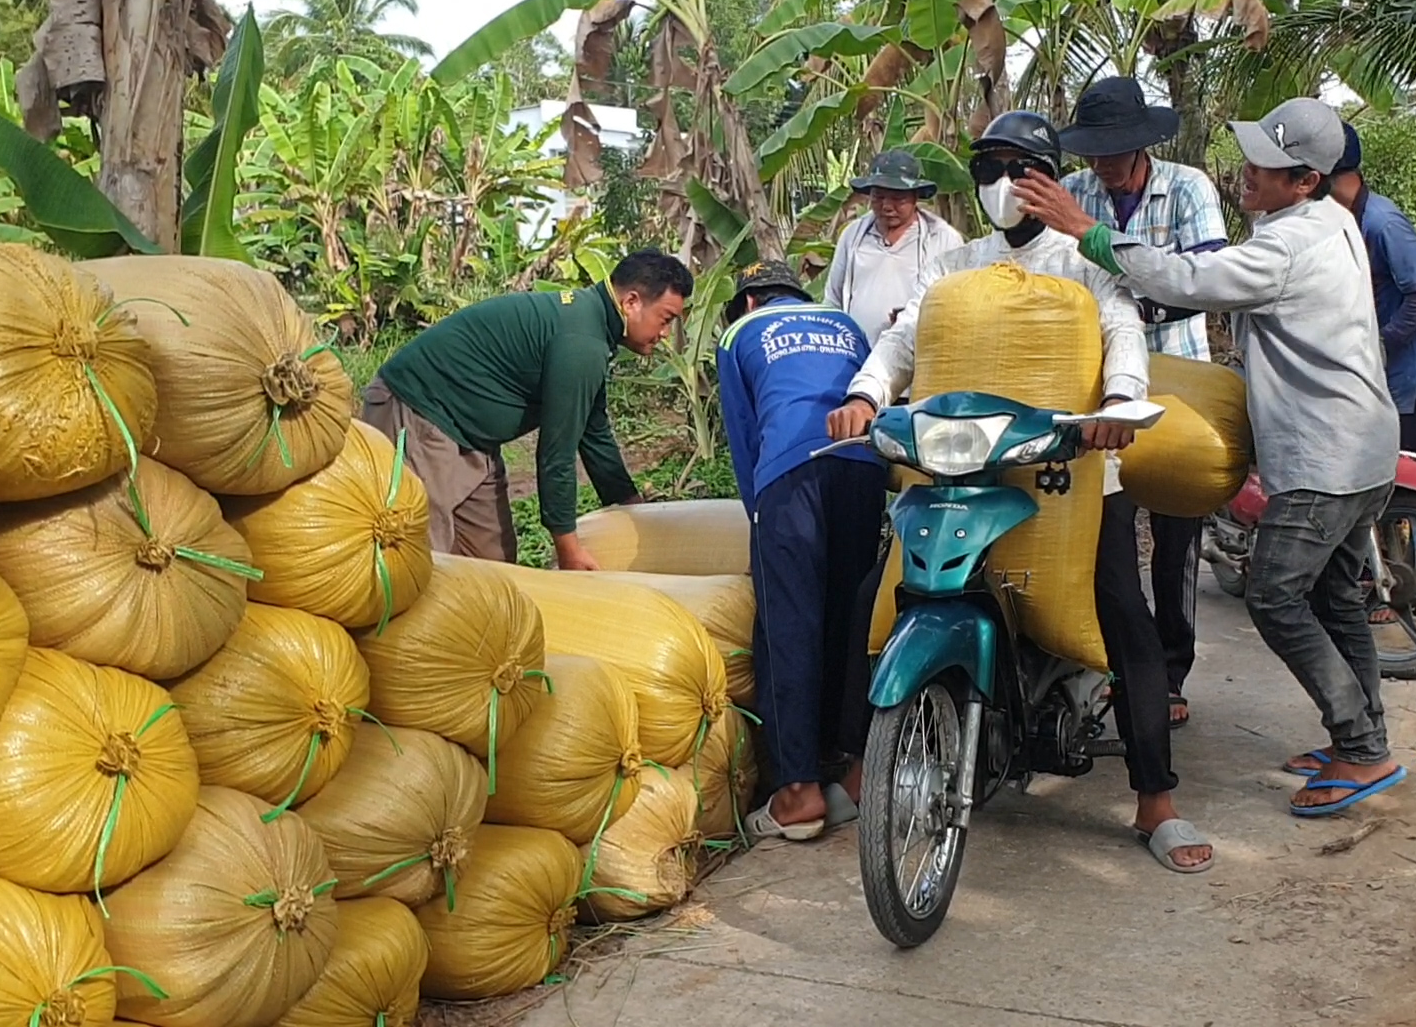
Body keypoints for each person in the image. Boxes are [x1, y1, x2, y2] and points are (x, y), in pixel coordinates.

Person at [828, 111, 1214, 873]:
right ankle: (858, 766)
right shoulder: (954, 267)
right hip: (963, 467)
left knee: (1124, 614)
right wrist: (867, 394)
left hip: (1070, 471)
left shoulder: (1082, 262)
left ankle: (1156, 800)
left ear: (1047, 179)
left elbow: (1123, 331)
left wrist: (1117, 405)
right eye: (988, 169)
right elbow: (902, 337)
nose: (1002, 186)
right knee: (875, 596)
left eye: (1020, 169)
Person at [1015, 97, 1406, 818]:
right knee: (1334, 597)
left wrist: (1086, 233)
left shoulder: (1287, 245)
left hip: (1325, 455)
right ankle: (1361, 735)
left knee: (1276, 597)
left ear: (1306, 181)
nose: (1246, 175)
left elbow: (1193, 284)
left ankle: (1361, 746)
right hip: (1364, 446)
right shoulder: (1322, 223)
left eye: (1264, 167)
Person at [1057, 75, 1230, 730]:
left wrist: (1133, 300)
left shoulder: (1187, 189)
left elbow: (1206, 281)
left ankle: (1172, 671)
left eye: (1115, 151)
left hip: (1177, 378)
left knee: (1176, 538)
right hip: (1100, 386)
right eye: (1094, 152)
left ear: (1141, 147)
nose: (1103, 165)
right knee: (1105, 529)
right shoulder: (1073, 195)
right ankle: (1113, 665)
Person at [358, 249, 692, 568]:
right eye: (665, 319)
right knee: (418, 558)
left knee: (494, 564)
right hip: (420, 415)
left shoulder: (592, 328)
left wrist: (627, 503)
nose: (665, 334)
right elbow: (556, 453)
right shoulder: (582, 340)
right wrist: (568, 549)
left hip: (473, 438)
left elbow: (594, 429)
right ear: (631, 302)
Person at [717, 261, 884, 840]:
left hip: (790, 472)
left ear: (749, 301)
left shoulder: (741, 334)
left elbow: (745, 440)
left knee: (788, 622)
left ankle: (797, 791)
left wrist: (757, 523)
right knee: (850, 612)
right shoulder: (845, 323)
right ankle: (849, 758)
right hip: (863, 462)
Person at [1328, 123, 1416, 455]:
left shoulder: (1382, 222)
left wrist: (1383, 341)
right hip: (1366, 377)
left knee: (1402, 483)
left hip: (1400, 380)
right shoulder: (1342, 219)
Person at [823, 150, 966, 346]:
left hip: (918, 356)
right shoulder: (852, 236)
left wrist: (914, 320)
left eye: (898, 198)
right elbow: (832, 300)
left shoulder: (943, 240)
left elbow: (959, 306)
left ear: (916, 197)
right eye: (878, 197)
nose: (887, 206)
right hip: (858, 355)